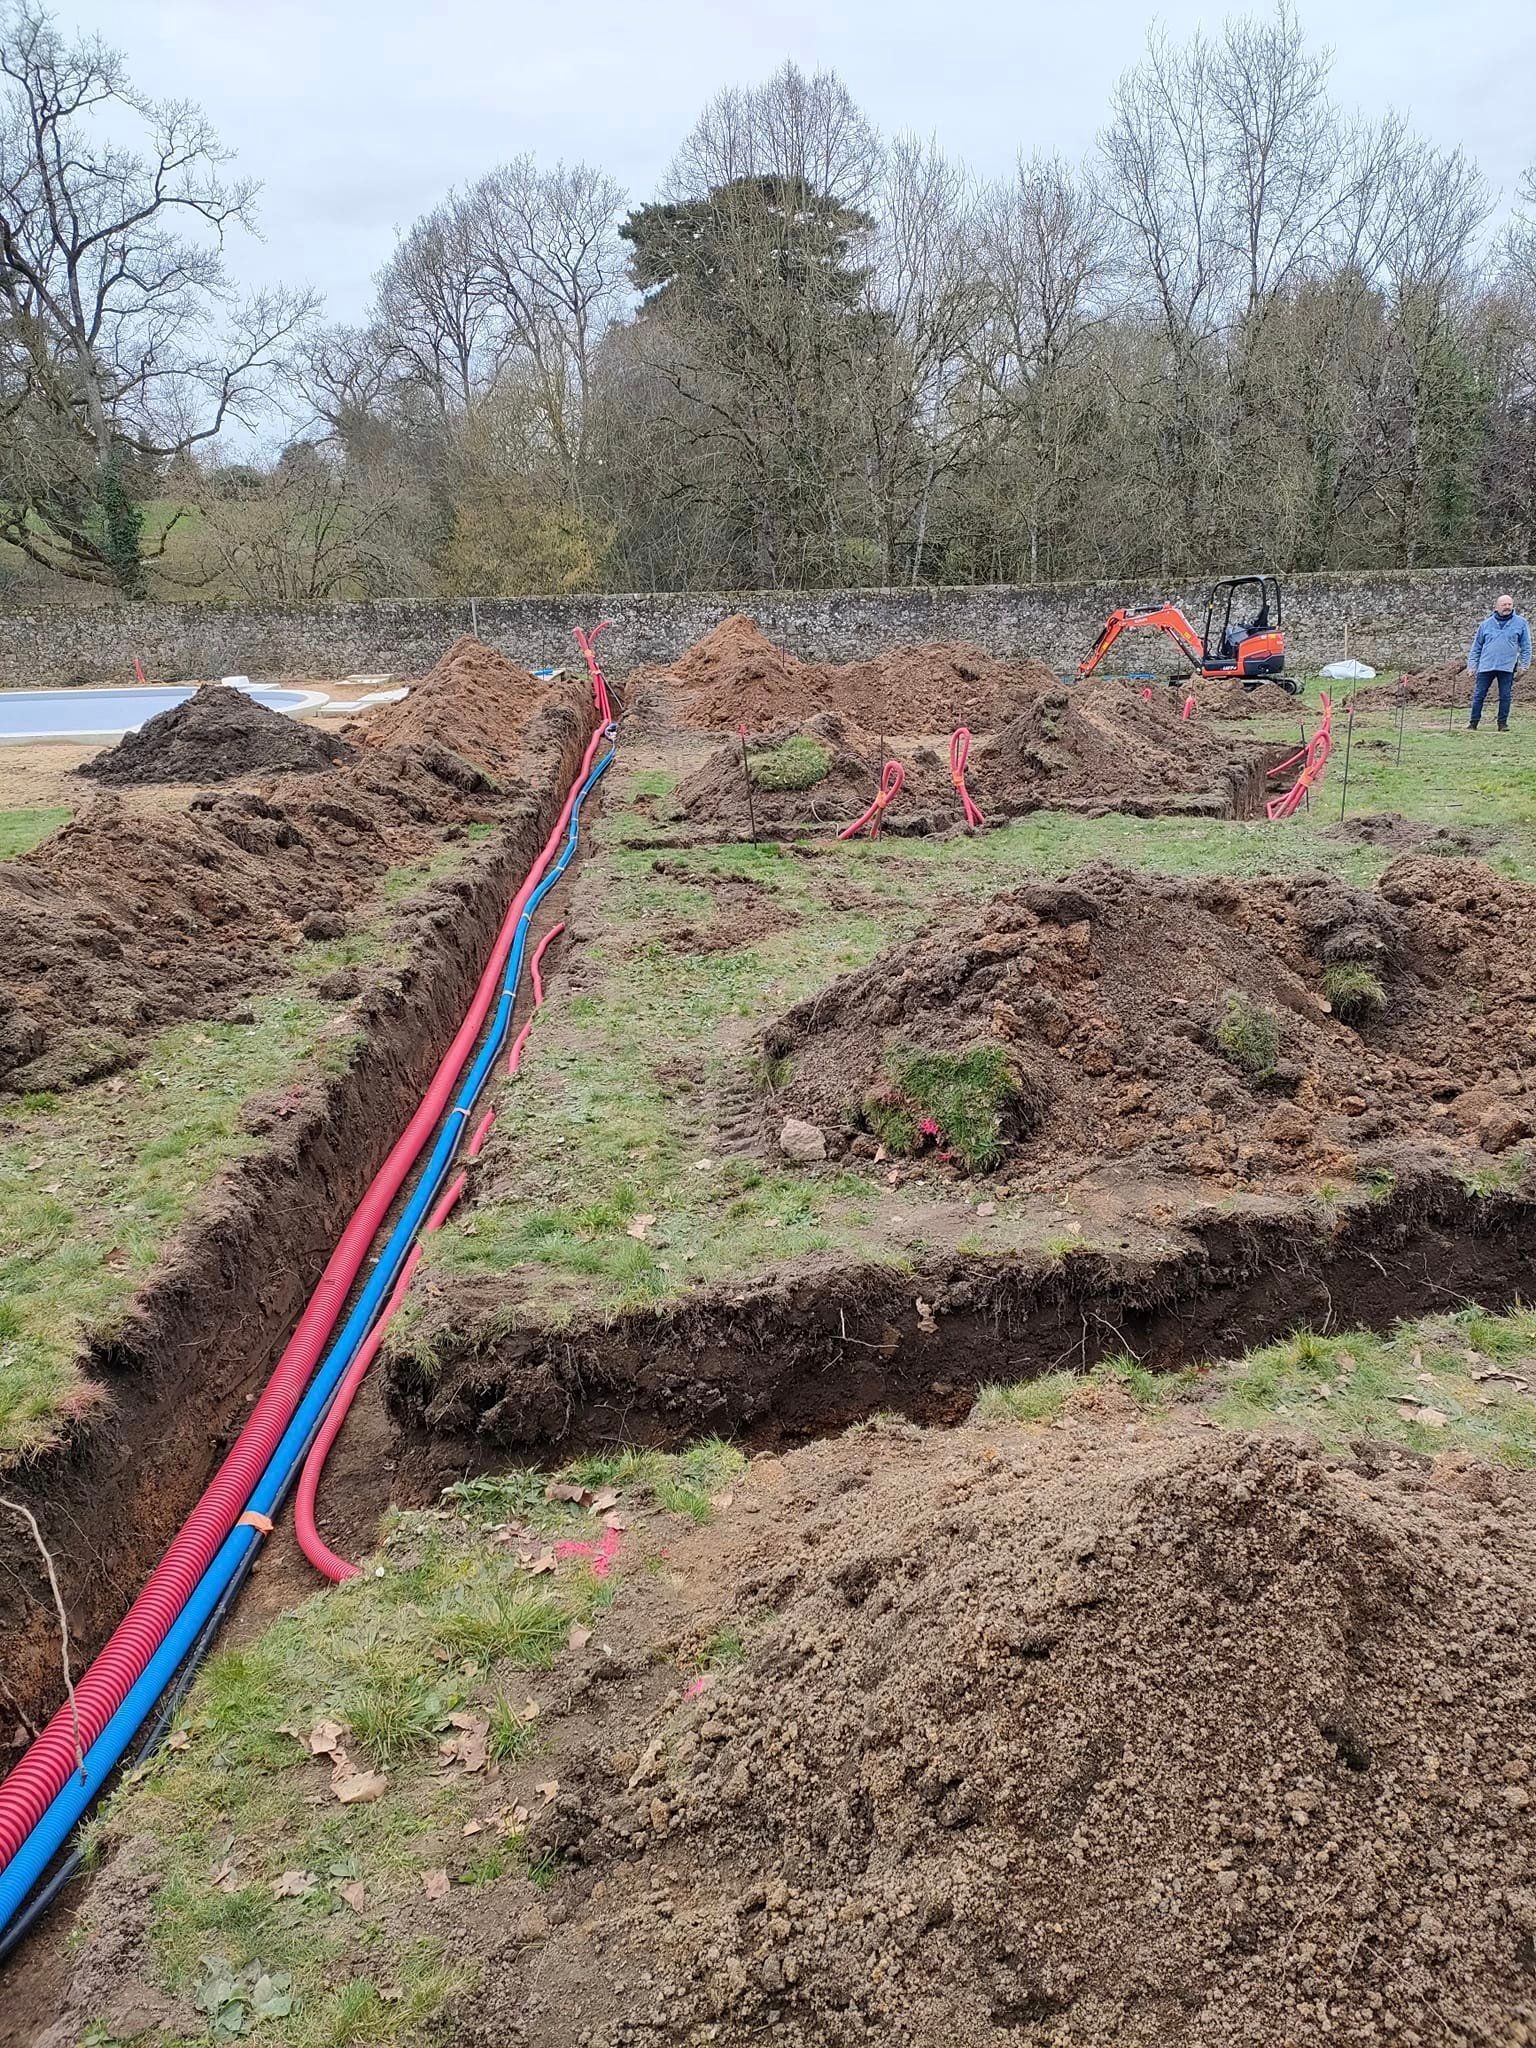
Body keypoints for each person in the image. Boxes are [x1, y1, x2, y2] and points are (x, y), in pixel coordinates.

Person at [1467, 594, 1530, 731]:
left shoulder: (1521, 623)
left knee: (1505, 696)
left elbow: (1526, 646)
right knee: (1479, 695)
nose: (1507, 607)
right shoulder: (1485, 624)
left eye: (1509, 604)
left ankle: (1502, 724)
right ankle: (1473, 723)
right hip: (1486, 666)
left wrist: (1524, 665)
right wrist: (1472, 666)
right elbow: (1476, 647)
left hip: (1507, 666)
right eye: (1504, 604)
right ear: (1496, 607)